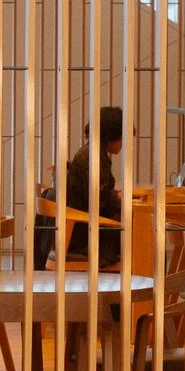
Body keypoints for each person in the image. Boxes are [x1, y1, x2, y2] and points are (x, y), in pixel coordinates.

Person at [59, 107, 126, 268]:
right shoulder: (93, 157)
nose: (124, 142)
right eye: (122, 137)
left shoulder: (91, 153)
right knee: (144, 239)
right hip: (85, 235)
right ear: (111, 135)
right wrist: (117, 197)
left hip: (80, 229)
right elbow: (98, 199)